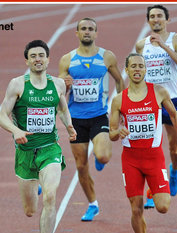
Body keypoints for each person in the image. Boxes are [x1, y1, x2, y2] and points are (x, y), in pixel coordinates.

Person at [0, 40, 77, 233]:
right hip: (25, 153)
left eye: (41, 55)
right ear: (27, 60)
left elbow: (62, 108)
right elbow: (1, 116)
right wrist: (15, 131)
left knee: (50, 197)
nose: (38, 59)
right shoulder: (17, 85)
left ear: (48, 59)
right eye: (33, 56)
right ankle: (37, 183)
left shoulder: (58, 84)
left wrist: (69, 126)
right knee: (30, 210)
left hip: (50, 148)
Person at [109, 53, 177, 233]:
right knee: (136, 208)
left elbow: (175, 115)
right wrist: (118, 132)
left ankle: (154, 189)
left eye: (141, 66)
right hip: (131, 160)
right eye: (133, 66)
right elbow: (112, 133)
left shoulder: (158, 92)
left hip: (154, 158)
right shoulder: (119, 100)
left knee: (163, 207)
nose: (138, 69)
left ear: (145, 69)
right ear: (127, 70)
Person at [58, 17, 124, 222]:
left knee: (103, 156)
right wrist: (66, 84)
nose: (87, 32)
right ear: (77, 33)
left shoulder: (107, 57)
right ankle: (92, 204)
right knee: (80, 166)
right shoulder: (67, 60)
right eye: (83, 29)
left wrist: (120, 109)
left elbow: (120, 81)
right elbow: (59, 90)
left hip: (98, 115)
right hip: (76, 119)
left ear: (96, 33)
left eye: (91, 29)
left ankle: (99, 154)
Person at [136, 4, 177, 208]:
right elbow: (137, 74)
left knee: (175, 148)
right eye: (152, 16)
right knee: (151, 148)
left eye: (160, 16)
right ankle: (153, 190)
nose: (156, 19)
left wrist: (164, 46)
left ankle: (174, 171)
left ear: (167, 19)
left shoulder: (176, 39)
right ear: (148, 20)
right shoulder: (142, 45)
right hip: (150, 103)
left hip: (173, 99)